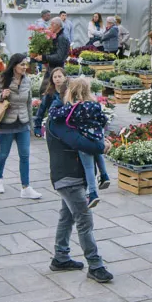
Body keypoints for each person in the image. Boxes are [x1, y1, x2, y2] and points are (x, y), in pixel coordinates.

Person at [47, 90, 112, 284]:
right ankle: (95, 265)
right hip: (68, 177)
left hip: (71, 176)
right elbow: (81, 142)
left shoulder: (69, 116)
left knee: (67, 217)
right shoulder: (59, 120)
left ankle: (60, 257)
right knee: (84, 220)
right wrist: (101, 146)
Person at [50, 76, 109, 207]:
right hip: (97, 135)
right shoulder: (95, 104)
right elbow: (103, 119)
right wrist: (99, 128)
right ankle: (104, 175)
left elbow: (55, 116)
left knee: (88, 166)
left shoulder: (76, 107)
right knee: (98, 153)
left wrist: (68, 105)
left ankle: (92, 193)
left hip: (85, 138)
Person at [0, 55, 42, 198]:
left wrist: (31, 125)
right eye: (22, 65)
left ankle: (26, 187)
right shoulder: (2, 79)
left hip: (23, 122)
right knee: (4, 153)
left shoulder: (27, 81)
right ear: (14, 66)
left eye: (26, 65)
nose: (25, 67)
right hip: (6, 123)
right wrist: (1, 95)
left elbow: (29, 103)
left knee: (24, 155)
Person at [34, 65, 66, 139]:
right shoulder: (49, 94)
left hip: (67, 125)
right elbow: (41, 110)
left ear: (65, 77)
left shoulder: (69, 92)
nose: (57, 79)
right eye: (55, 77)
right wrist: (37, 128)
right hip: (53, 125)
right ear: (52, 79)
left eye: (59, 76)